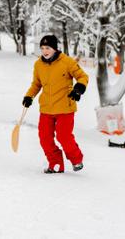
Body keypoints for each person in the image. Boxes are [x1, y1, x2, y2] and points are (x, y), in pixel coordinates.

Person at [23, 35, 89, 174]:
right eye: (42, 48)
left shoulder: (67, 62)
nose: (45, 51)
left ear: (55, 48)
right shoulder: (38, 64)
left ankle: (76, 159)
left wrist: (78, 89)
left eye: (48, 48)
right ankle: (56, 163)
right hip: (46, 108)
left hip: (65, 107)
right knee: (44, 138)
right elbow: (36, 84)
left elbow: (82, 76)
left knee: (63, 136)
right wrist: (29, 96)